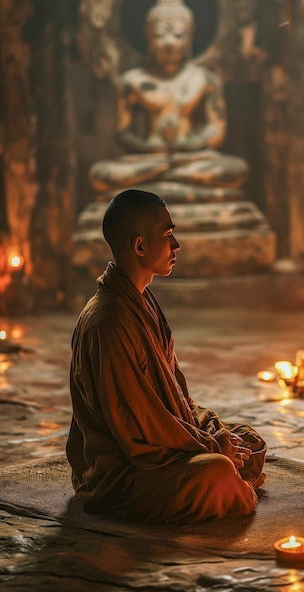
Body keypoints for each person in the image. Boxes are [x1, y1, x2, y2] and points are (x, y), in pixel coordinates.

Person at [66, 189, 267, 524]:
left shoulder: (142, 301)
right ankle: (231, 483)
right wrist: (211, 447)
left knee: (248, 439)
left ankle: (230, 477)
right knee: (216, 471)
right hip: (121, 470)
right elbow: (138, 428)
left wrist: (211, 432)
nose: (177, 246)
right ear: (140, 246)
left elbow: (172, 396)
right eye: (169, 235)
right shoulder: (109, 321)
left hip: (162, 440)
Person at [89, 0, 248, 200]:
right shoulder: (132, 80)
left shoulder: (205, 79)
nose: (169, 42)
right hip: (149, 158)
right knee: (102, 174)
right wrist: (149, 149)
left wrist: (189, 146)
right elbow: (123, 132)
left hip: (192, 158)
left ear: (190, 34)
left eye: (178, 35)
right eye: (160, 34)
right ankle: (173, 179)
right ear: (148, 36)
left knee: (235, 170)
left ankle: (162, 181)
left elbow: (216, 129)